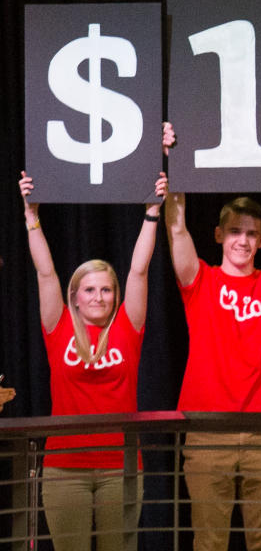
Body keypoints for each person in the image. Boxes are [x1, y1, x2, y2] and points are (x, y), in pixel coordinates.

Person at [163, 117, 261, 551]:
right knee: (208, 543)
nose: (242, 241)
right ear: (218, 235)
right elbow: (175, 227)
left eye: (251, 234)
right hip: (207, 431)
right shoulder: (200, 281)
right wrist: (172, 159)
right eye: (234, 231)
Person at [22, 170, 162, 551]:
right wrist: (31, 216)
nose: (98, 296)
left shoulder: (129, 327)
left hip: (121, 467)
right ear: (75, 296)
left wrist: (152, 213)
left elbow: (138, 269)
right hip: (64, 468)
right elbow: (45, 271)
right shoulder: (58, 325)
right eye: (89, 289)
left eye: (106, 289)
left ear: (115, 295)